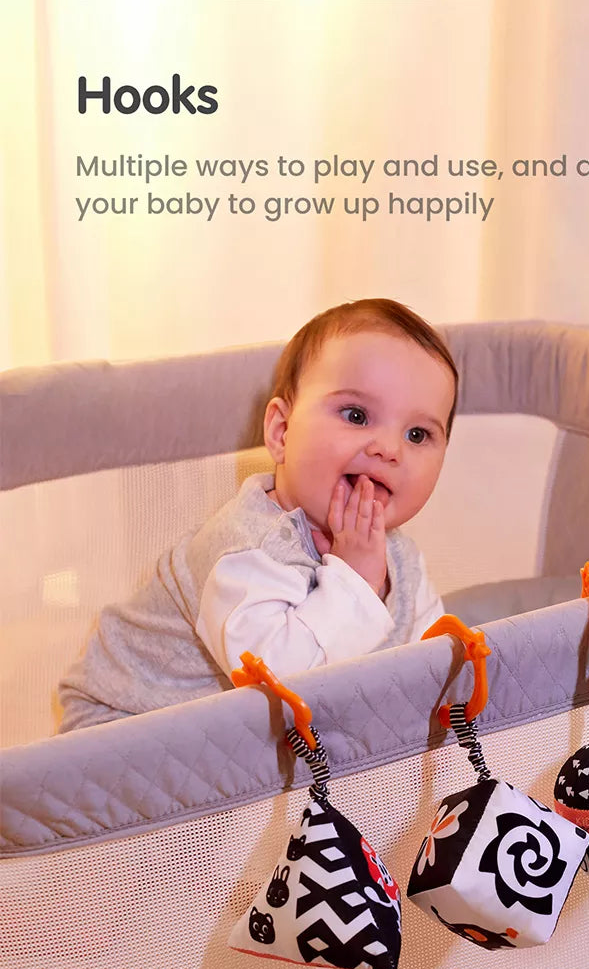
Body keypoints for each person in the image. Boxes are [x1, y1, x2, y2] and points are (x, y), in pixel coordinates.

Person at [57, 298, 456, 731]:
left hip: (236, 741)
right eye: (356, 416)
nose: (388, 448)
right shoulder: (244, 548)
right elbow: (284, 687)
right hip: (124, 726)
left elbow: (430, 665)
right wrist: (357, 581)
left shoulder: (399, 558)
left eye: (418, 434)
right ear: (282, 432)